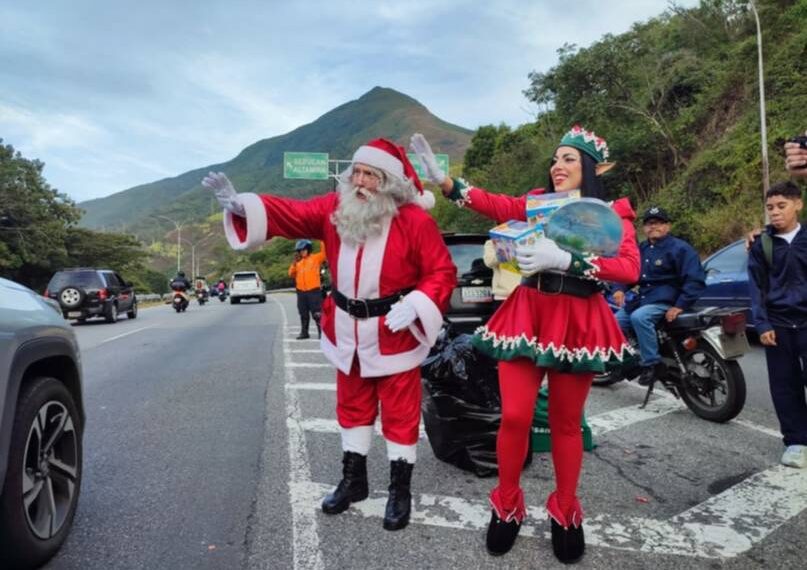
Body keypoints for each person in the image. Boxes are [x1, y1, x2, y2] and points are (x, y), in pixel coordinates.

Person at [411, 126, 639, 564]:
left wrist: (568, 259)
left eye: (570, 158)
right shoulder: (539, 203)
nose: (558, 165)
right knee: (514, 416)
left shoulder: (612, 214)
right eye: (555, 159)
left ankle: (565, 507)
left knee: (566, 424)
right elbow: (496, 204)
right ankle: (508, 500)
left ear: (591, 168)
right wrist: (447, 184)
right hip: (527, 312)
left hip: (577, 318)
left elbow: (628, 268)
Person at [202, 138, 456, 531]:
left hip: (395, 331)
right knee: (352, 408)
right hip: (347, 331)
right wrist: (240, 206)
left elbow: (441, 272)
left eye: (370, 174)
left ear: (388, 181)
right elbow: (291, 213)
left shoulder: (414, 221)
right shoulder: (335, 210)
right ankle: (353, 481)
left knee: (401, 413)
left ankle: (398, 490)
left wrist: (419, 303)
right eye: (356, 171)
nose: (359, 181)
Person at [747, 180, 807, 468]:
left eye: (781, 206)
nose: (775, 212)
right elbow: (756, 287)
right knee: (785, 386)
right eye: (770, 207)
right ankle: (796, 441)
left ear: (798, 204)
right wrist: (761, 324)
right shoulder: (762, 244)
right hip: (778, 325)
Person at [612, 207, 706, 386]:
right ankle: (627, 363)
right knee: (614, 322)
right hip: (645, 299)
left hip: (667, 301)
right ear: (644, 228)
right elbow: (629, 271)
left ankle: (652, 364)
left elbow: (695, 279)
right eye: (649, 223)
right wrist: (619, 288)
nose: (653, 227)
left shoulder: (680, 249)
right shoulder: (642, 249)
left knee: (640, 317)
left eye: (658, 223)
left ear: (667, 226)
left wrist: (680, 305)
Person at [289, 239, 327, 339]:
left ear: (308, 249)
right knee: (303, 312)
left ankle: (321, 333)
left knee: (317, 313)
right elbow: (291, 274)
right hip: (301, 291)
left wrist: (321, 239)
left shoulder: (316, 258)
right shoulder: (298, 262)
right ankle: (304, 332)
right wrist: (294, 263)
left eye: (303, 250)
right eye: (300, 251)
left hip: (313, 291)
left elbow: (324, 253)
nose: (301, 252)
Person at [483, 238, 524, 308]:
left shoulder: (527, 241)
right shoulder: (492, 243)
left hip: (525, 295)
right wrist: (507, 249)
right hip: (503, 296)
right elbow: (489, 262)